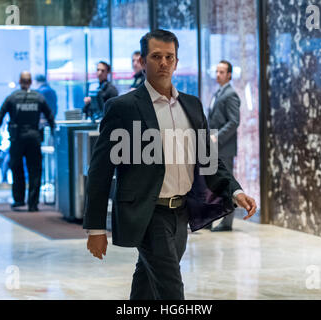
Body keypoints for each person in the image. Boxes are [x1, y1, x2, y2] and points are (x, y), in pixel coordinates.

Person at [83, 29, 257, 300]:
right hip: (148, 213)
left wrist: (235, 191)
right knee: (171, 291)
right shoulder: (123, 107)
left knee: (148, 281)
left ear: (176, 62)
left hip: (181, 213)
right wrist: (95, 228)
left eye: (169, 57)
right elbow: (100, 171)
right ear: (142, 61)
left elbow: (208, 159)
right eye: (156, 56)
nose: (163, 63)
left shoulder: (192, 105)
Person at [0, 71, 55, 212]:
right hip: (34, 138)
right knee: (35, 171)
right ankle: (33, 204)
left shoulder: (12, 98)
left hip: (17, 139)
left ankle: (19, 200)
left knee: (17, 169)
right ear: (31, 81)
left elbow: (0, 118)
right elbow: (50, 117)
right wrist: (54, 136)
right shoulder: (38, 98)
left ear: (20, 81)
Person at [207, 60, 241, 232]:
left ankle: (227, 222)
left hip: (224, 148)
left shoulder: (230, 94)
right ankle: (211, 219)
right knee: (215, 184)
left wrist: (216, 138)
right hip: (215, 148)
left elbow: (234, 121)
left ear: (229, 75)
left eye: (222, 72)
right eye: (217, 71)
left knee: (226, 184)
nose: (218, 75)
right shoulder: (218, 93)